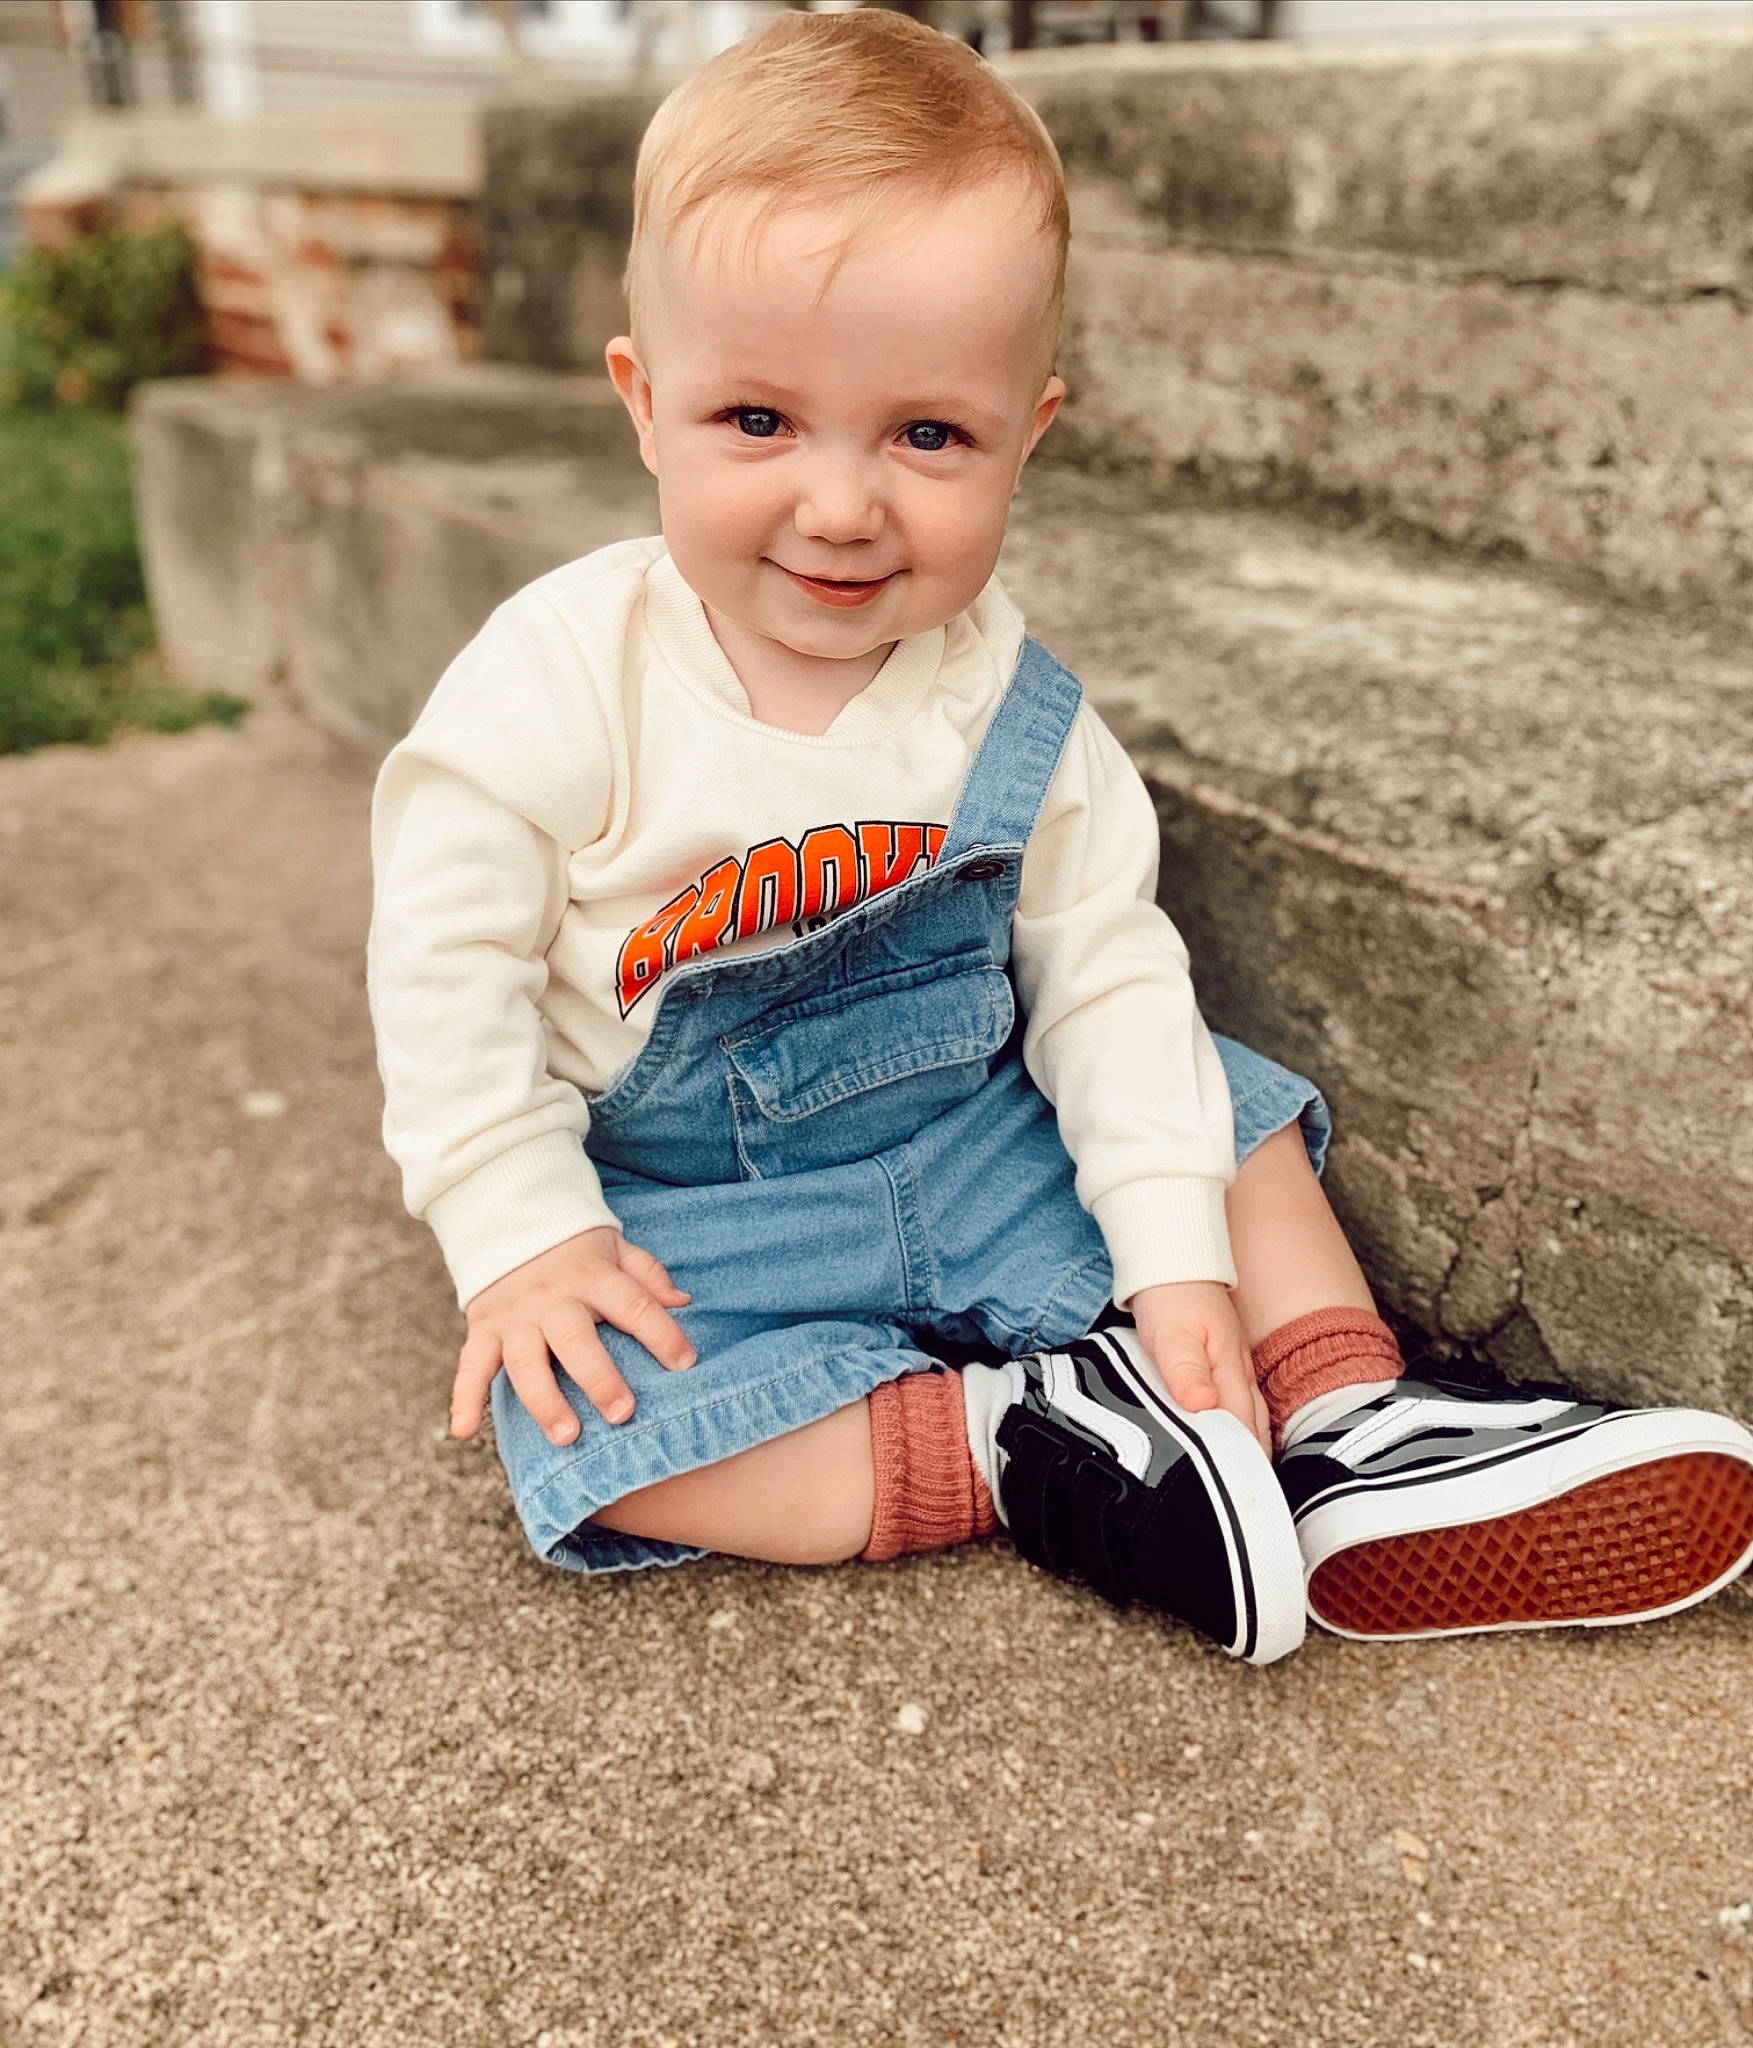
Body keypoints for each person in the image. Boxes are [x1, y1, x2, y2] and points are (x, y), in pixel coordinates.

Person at [367, 7, 1753, 1662]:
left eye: (925, 435)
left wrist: (1176, 1271)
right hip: (695, 1209)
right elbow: (443, 967)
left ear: (1028, 431)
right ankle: (1032, 1452)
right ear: (643, 400)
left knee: (1212, 1110)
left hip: (978, 1139)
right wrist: (520, 1231)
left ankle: (1340, 1424)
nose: (838, 503)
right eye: (757, 422)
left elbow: (1098, 979)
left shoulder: (1010, 706)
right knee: (596, 1433)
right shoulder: (560, 679)